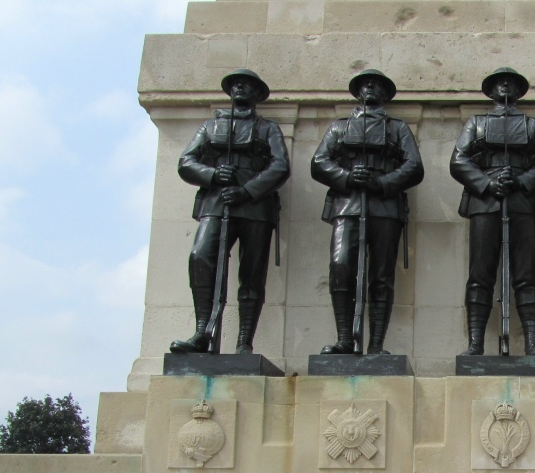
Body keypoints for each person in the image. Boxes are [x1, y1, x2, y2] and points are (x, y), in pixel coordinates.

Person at [170, 68, 290, 355]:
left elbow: (280, 165)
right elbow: (186, 161)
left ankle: (244, 341)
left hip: (255, 205)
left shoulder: (268, 128)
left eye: (247, 85)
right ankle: (203, 333)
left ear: (257, 93)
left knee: (251, 273)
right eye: (236, 84)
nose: (240, 88)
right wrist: (212, 174)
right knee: (201, 257)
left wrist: (247, 190)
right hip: (216, 201)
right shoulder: (210, 127)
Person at [312, 69, 424, 355]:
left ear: (386, 94)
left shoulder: (397, 128)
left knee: (381, 275)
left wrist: (382, 181)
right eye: (365, 84)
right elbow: (319, 161)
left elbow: (414, 166)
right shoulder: (339, 127)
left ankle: (376, 344)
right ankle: (345, 339)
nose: (371, 88)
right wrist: (347, 177)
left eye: (377, 85)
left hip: (385, 205)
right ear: (358, 92)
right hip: (347, 204)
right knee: (341, 267)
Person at [451, 67, 535, 356]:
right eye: (500, 83)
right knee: (480, 273)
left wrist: (523, 181)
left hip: (523, 201)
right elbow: (459, 161)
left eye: (511, 83)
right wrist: (487, 183)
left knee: (527, 274)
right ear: (490, 91)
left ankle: (533, 344)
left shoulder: (533, 125)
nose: (505, 87)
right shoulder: (476, 123)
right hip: (485, 201)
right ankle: (475, 344)